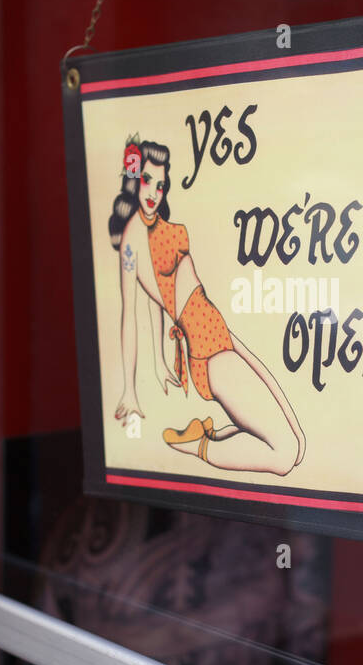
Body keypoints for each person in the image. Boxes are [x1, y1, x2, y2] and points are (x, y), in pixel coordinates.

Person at [108, 137, 306, 475]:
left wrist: (159, 361)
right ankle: (200, 446)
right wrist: (129, 389)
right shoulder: (132, 239)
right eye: (146, 181)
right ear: (132, 178)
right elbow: (132, 312)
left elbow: (155, 300)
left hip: (221, 333)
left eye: (161, 185)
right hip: (207, 352)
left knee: (299, 447)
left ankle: (207, 432)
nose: (155, 192)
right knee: (285, 456)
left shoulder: (156, 227)